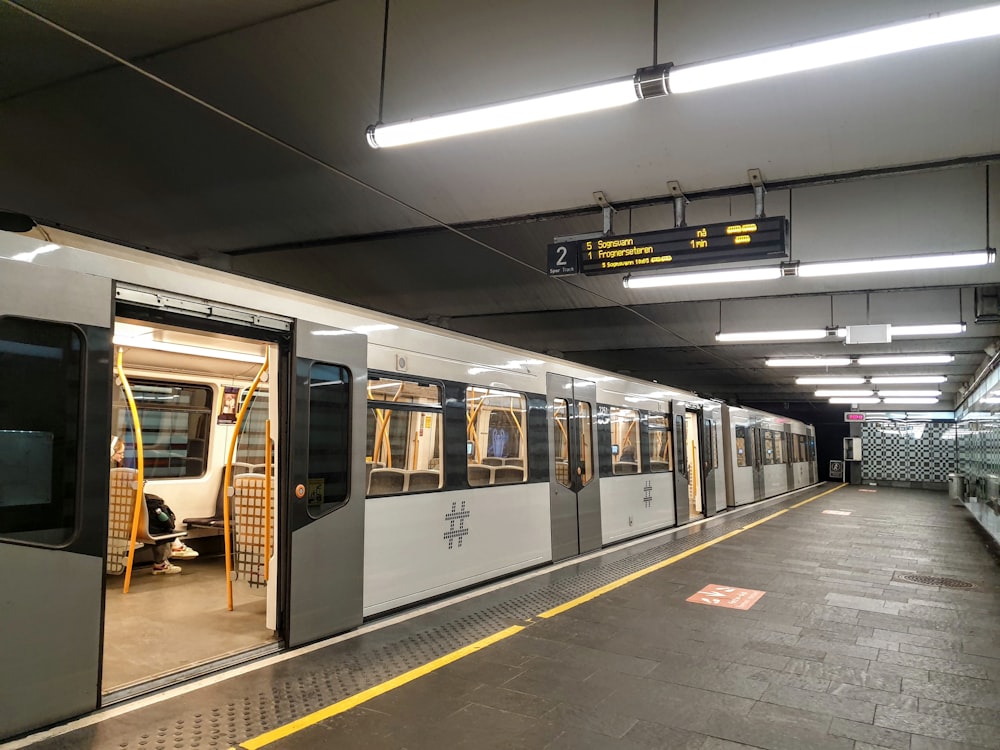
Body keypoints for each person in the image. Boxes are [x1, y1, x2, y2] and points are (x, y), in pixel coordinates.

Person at [111, 436, 189, 574]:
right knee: (160, 522)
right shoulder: (116, 475)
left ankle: (174, 546)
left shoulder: (112, 473)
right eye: (120, 453)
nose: (122, 457)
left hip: (118, 519)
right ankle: (169, 552)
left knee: (153, 509)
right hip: (125, 523)